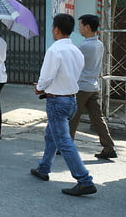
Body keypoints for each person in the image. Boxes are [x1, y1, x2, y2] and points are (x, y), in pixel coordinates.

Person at [31, 13, 97, 196]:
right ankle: (43, 168)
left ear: (56, 29)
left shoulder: (55, 50)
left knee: (63, 141)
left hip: (57, 100)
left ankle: (84, 180)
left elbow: (46, 76)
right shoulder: (76, 50)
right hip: (71, 99)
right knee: (52, 135)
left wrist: (40, 87)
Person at [69, 14, 117, 160]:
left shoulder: (84, 46)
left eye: (81, 25)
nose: (79, 28)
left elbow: (73, 65)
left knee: (73, 117)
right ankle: (108, 146)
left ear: (88, 27)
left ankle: (66, 146)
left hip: (82, 86)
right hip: (93, 86)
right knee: (97, 118)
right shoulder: (99, 44)